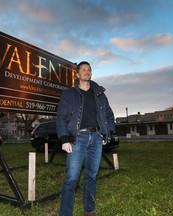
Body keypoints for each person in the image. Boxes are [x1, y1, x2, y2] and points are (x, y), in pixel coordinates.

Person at [56, 61, 116, 216]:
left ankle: (89, 211)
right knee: (72, 178)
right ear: (77, 74)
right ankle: (65, 213)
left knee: (91, 176)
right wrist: (64, 139)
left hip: (96, 138)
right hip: (77, 138)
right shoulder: (69, 94)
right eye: (83, 69)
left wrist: (107, 133)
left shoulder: (100, 94)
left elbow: (109, 116)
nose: (86, 71)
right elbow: (61, 117)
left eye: (89, 69)